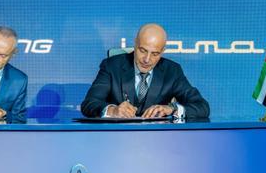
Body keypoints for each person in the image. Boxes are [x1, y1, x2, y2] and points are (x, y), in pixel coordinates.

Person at [80, 23, 209, 122]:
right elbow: (89, 104)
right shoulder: (111, 66)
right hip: (116, 137)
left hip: (156, 140)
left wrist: (171, 109)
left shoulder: (172, 71)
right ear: (135, 44)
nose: (147, 59)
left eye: (155, 54)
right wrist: (113, 111)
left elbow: (202, 107)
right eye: (143, 50)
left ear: (162, 51)